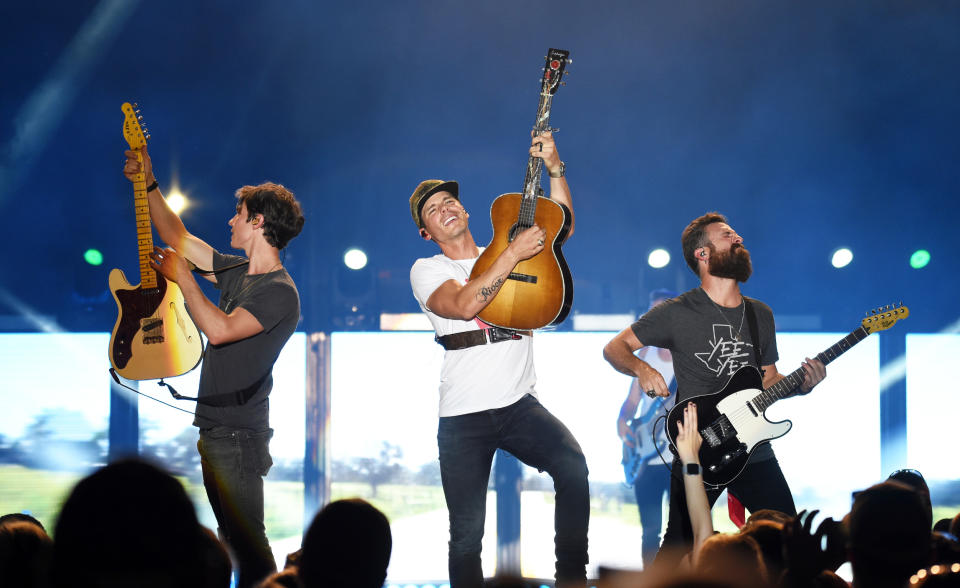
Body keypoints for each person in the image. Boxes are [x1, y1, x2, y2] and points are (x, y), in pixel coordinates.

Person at [408, 131, 590, 588]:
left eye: (450, 200)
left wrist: (554, 167)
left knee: (573, 466)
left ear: (467, 211)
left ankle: (571, 577)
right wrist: (513, 251)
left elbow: (559, 225)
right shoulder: (428, 269)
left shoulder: (511, 252)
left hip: (517, 403)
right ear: (426, 232)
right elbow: (466, 305)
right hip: (462, 416)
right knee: (466, 536)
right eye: (433, 209)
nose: (445, 208)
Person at [123, 146, 305, 587]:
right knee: (233, 539)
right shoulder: (239, 270)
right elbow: (177, 236)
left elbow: (220, 330)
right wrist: (147, 183)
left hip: (239, 435)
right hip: (217, 429)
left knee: (249, 544)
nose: (230, 220)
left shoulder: (280, 291)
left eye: (238, 213)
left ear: (258, 221)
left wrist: (184, 277)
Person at [602, 212, 827, 564]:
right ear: (702, 254)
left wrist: (803, 385)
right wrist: (642, 369)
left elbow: (768, 379)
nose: (737, 238)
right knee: (678, 546)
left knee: (789, 539)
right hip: (699, 445)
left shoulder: (760, 314)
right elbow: (614, 349)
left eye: (737, 233)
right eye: (726, 235)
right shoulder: (677, 311)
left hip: (754, 449)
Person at [616, 288, 677, 568]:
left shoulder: (687, 355)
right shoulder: (644, 356)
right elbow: (632, 402)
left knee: (681, 533)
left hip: (681, 458)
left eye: (660, 310)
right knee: (650, 532)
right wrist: (621, 421)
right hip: (646, 460)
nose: (654, 317)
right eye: (650, 311)